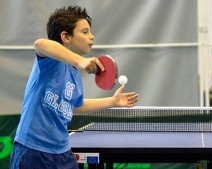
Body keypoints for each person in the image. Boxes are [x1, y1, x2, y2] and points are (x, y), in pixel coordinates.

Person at [10, 6, 138, 169]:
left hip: (62, 152)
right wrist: (80, 61)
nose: (92, 37)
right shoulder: (50, 63)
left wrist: (112, 101)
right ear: (65, 36)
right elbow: (40, 44)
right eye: (85, 32)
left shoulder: (74, 75)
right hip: (32, 151)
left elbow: (77, 106)